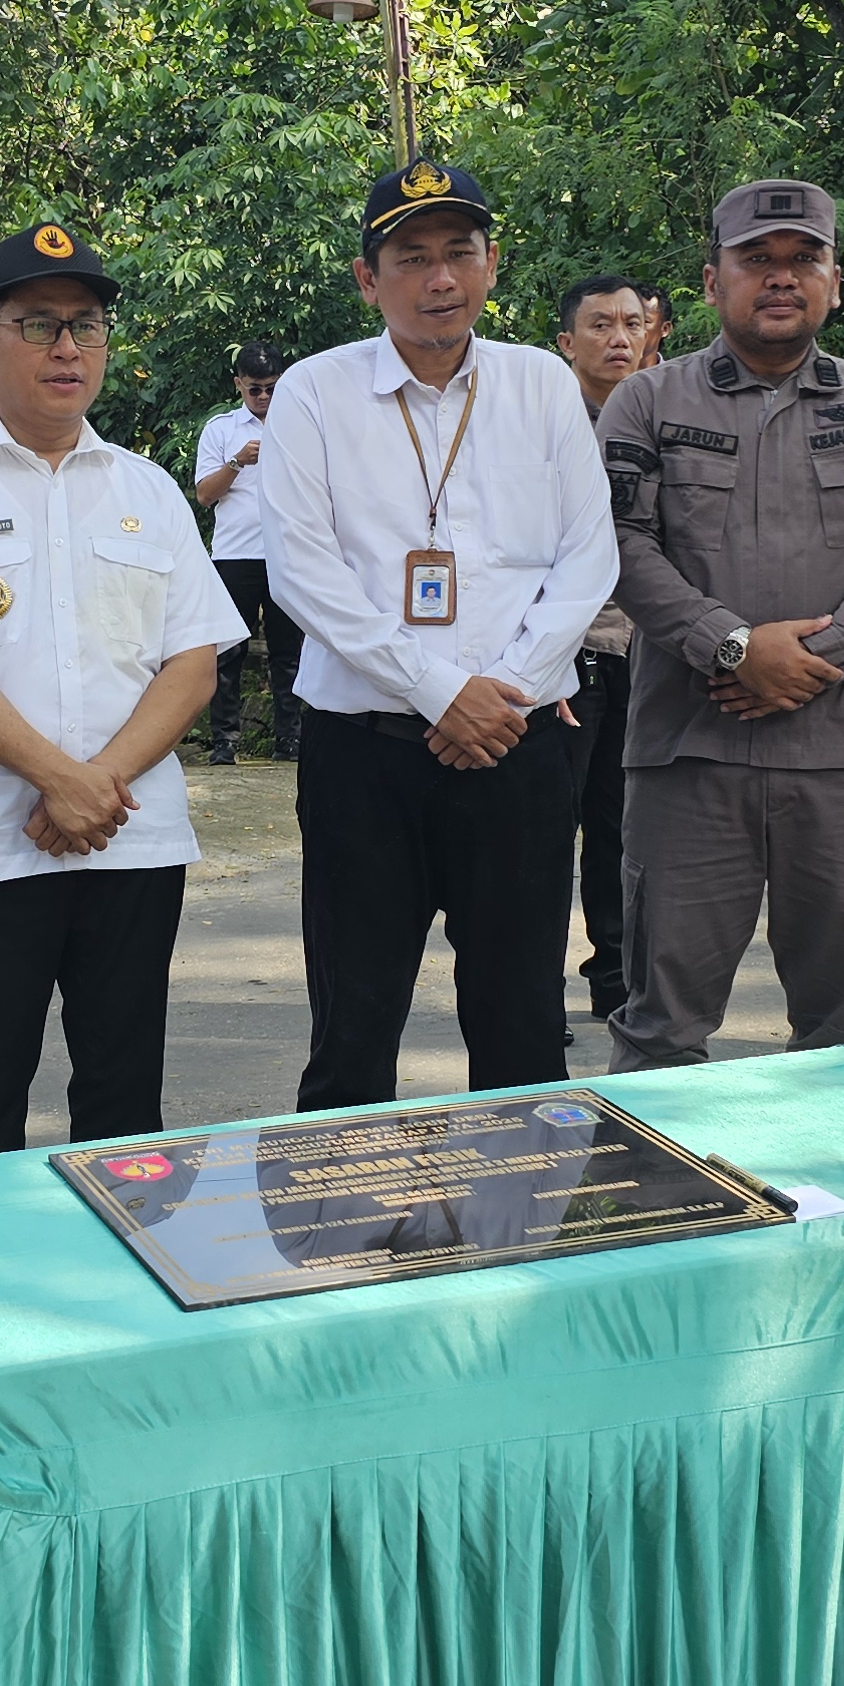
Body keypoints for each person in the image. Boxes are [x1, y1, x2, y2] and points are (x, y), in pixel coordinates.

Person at [0, 225, 237, 1157]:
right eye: (38, 325)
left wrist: (94, 784)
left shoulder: (147, 488)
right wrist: (56, 780)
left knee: (124, 1110)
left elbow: (193, 664)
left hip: (130, 840)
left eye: (87, 325)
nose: (67, 348)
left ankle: (118, 1298)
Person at [260, 158, 615, 1109]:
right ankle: (342, 1246)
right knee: (353, 1024)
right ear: (368, 278)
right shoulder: (314, 392)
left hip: (519, 747)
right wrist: (437, 689)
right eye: (411, 258)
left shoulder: (541, 385)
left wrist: (501, 691)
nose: (441, 279)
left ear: (492, 265)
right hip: (363, 756)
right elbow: (301, 569)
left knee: (524, 1024)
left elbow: (589, 557)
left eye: (460, 253)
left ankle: (525, 1242)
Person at [596, 181, 844, 1070]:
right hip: (690, 754)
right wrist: (731, 646)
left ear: (836, 279)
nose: (781, 278)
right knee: (661, 1028)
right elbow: (618, 539)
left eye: (804, 260)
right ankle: (657, 1210)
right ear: (713, 280)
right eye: (757, 259)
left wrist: (814, 655)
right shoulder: (646, 404)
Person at [554, 271, 658, 1022]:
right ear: (567, 342)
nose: (618, 338)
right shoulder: (541, 421)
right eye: (600, 325)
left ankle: (617, 981)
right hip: (564, 653)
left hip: (642, 650)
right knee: (547, 829)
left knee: (623, 826)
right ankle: (532, 992)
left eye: (631, 324)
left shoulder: (666, 417)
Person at [192, 340, 301, 762]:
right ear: (239, 384)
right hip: (235, 555)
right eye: (255, 389)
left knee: (288, 653)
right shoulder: (221, 430)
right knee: (228, 652)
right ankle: (225, 742)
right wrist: (237, 462)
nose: (264, 397)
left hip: (285, 554)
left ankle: (288, 740)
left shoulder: (299, 425)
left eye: (272, 388)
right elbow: (204, 495)